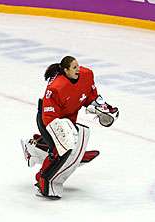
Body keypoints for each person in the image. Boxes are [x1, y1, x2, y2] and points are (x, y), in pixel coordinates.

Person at [21, 56, 119, 199]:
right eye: (74, 67)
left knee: (68, 149)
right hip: (47, 120)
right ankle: (42, 178)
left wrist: (101, 107)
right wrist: (64, 142)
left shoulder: (87, 75)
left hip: (68, 121)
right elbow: (49, 117)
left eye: (78, 66)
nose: (78, 70)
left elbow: (91, 96)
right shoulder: (56, 88)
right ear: (65, 71)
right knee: (61, 150)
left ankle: (36, 146)